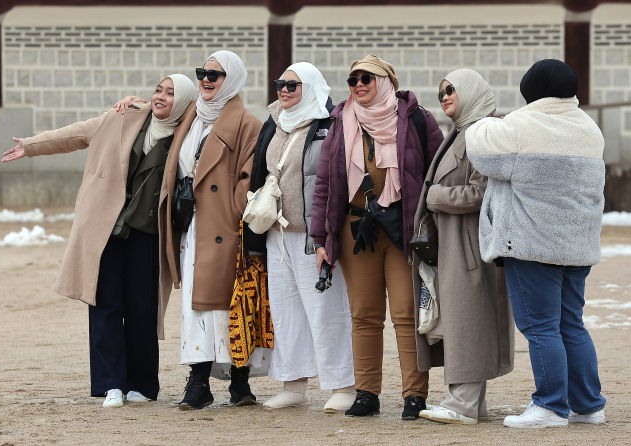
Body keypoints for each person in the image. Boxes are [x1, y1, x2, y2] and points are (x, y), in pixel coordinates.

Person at [1, 74, 195, 408]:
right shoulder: (123, 115)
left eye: (171, 93)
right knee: (105, 303)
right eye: (158, 90)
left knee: (143, 308)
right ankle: (111, 385)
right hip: (105, 228)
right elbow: (77, 133)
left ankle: (143, 385)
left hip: (150, 233)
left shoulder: (188, 134)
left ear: (183, 102)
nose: (161, 97)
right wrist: (31, 145)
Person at [116, 50, 266, 410]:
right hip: (190, 227)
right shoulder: (192, 115)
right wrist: (135, 103)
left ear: (232, 79)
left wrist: (233, 212)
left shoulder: (248, 123)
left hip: (226, 228)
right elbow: (161, 114)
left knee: (230, 304)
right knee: (195, 307)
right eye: (203, 72)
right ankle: (198, 382)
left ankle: (239, 382)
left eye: (216, 74)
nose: (207, 79)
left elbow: (249, 175)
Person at [466, 59, 607, 428]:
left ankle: (549, 406)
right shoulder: (590, 129)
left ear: (530, 90)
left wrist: (483, 120)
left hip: (531, 246)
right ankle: (588, 406)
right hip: (577, 246)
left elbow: (481, 152)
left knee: (540, 327)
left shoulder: (522, 125)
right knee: (571, 325)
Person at [311, 55, 443, 419]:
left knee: (405, 314)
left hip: (403, 231)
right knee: (364, 315)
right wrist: (320, 239)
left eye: (366, 77)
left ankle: (414, 396)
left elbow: (440, 173)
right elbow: (325, 184)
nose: (358, 84)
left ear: (386, 80)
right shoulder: (340, 122)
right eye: (352, 79)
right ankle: (367, 393)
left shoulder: (417, 119)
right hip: (357, 230)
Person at [244, 62, 355, 412]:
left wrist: (327, 233)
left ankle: (343, 386)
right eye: (281, 83)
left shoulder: (330, 124)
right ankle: (293, 384)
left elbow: (337, 178)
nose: (285, 89)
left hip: (313, 234)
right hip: (277, 233)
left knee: (325, 310)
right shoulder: (273, 122)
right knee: (286, 311)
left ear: (310, 86)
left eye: (294, 84)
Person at [412, 69, 515, 425]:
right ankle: (472, 401)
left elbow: (483, 190)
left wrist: (436, 197)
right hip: (456, 244)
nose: (444, 96)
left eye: (451, 89)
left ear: (470, 92)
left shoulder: (483, 133)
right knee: (462, 320)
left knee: (469, 320)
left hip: (470, 246)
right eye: (440, 91)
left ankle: (464, 401)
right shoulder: (462, 133)